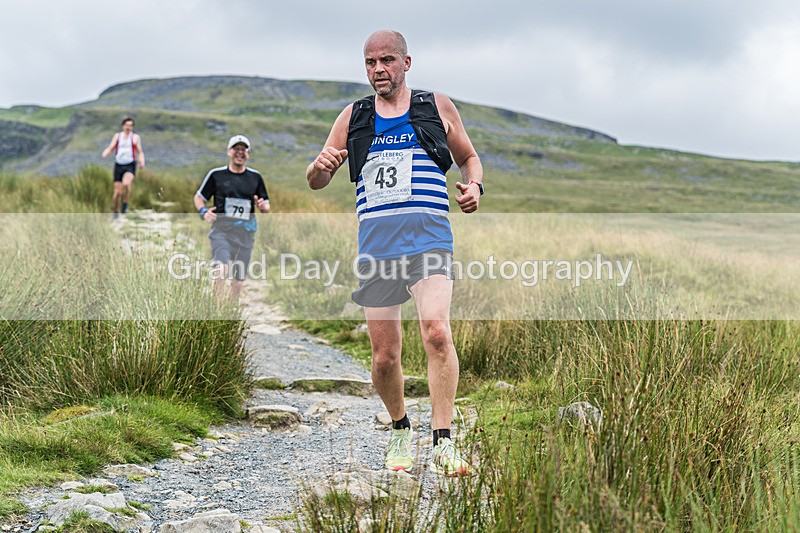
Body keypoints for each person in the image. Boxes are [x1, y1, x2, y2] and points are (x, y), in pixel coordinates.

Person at [306, 30, 484, 476]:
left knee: (437, 332)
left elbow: (469, 158)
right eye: (370, 62)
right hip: (378, 249)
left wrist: (474, 186)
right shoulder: (353, 117)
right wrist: (320, 168)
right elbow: (316, 179)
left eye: (387, 60)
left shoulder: (435, 106)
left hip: (429, 241)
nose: (378, 70)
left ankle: (443, 440)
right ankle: (401, 429)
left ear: (407, 63)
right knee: (385, 357)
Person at [195, 135, 270, 300]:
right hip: (221, 231)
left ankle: (229, 316)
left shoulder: (255, 177)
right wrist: (203, 212)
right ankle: (216, 312)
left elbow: (266, 204)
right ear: (229, 151)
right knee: (221, 270)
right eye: (236, 149)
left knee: (238, 283)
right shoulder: (216, 175)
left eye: (244, 150)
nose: (240, 153)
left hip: (245, 234)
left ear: (248, 154)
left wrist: (264, 207)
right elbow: (199, 197)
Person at [102, 117, 145, 216]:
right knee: (117, 192)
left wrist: (142, 161)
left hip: (130, 164)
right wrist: (106, 152)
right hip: (118, 165)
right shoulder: (117, 136)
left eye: (130, 125)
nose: (128, 127)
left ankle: (125, 204)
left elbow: (140, 151)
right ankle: (116, 210)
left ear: (132, 127)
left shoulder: (135, 137)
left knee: (126, 184)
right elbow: (111, 147)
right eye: (127, 125)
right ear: (123, 126)